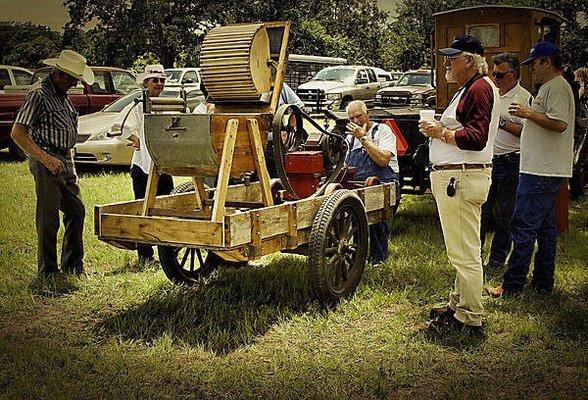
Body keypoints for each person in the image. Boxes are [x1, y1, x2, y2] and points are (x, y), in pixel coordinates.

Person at [419, 34, 500, 334]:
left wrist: (440, 132)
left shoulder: (479, 88)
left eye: (452, 58)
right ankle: (459, 304)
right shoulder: (471, 87)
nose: (447, 63)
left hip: (462, 175)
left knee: (464, 251)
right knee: (462, 247)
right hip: (458, 175)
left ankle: (469, 317)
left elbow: (476, 138)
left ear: (469, 60)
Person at [487, 42, 575, 297]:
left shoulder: (556, 87)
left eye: (533, 64)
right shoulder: (553, 87)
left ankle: (512, 286)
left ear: (546, 62)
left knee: (523, 226)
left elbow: (559, 124)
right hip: (544, 169)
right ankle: (542, 282)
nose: (531, 70)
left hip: (540, 170)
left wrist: (527, 113)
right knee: (546, 229)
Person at [10, 50, 94, 279]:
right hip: (46, 160)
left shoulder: (62, 94)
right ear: (58, 74)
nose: (75, 83)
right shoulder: (39, 94)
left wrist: (68, 162)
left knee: (77, 211)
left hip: (64, 160)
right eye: (72, 79)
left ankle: (72, 265)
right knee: (48, 219)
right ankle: (48, 271)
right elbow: (18, 133)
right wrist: (46, 159)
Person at [480, 53, 532, 275]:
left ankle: (497, 260)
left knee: (506, 215)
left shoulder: (523, 98)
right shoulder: (493, 93)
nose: (495, 78)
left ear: (513, 74)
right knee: (482, 209)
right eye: (493, 74)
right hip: (490, 159)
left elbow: (526, 133)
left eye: (499, 74)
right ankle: (475, 255)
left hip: (512, 160)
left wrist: (500, 122)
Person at [125, 64, 174, 265]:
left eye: (162, 81)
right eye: (155, 80)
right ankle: (145, 256)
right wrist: (134, 137)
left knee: (167, 208)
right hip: (143, 167)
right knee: (143, 209)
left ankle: (168, 252)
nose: (159, 84)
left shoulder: (165, 105)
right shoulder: (138, 106)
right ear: (146, 83)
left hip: (163, 166)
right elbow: (123, 126)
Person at [345, 100, 400, 265]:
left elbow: (383, 160)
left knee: (376, 220)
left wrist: (363, 138)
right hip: (359, 184)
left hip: (383, 182)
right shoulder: (349, 139)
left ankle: (378, 259)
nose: (356, 121)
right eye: (352, 118)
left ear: (367, 113)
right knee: (355, 220)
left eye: (359, 116)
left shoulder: (382, 131)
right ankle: (358, 258)